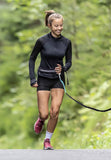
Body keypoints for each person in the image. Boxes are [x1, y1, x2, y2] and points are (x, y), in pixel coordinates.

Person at [29, 10, 72, 150]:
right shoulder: (42, 41)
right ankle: (41, 119)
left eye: (61, 25)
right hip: (43, 79)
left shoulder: (66, 42)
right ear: (49, 25)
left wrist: (63, 68)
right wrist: (32, 78)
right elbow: (32, 59)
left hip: (58, 80)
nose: (59, 28)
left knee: (55, 111)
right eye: (56, 26)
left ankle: (47, 140)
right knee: (45, 114)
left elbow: (69, 62)